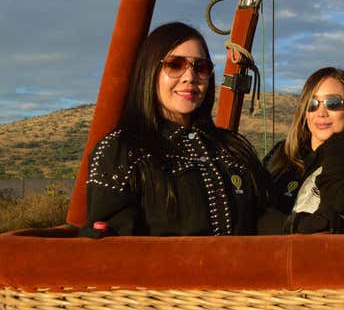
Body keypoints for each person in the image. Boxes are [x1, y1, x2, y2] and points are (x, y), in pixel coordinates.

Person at [81, 22, 274, 236]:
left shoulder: (233, 150)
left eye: (200, 68)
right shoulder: (120, 151)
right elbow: (114, 249)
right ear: (150, 71)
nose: (189, 77)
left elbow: (268, 219)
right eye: (175, 65)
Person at [261, 67, 344, 233]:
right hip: (265, 253)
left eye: (333, 103)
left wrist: (339, 144)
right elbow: (253, 211)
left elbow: (336, 213)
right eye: (312, 104)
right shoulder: (281, 154)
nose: (321, 112)